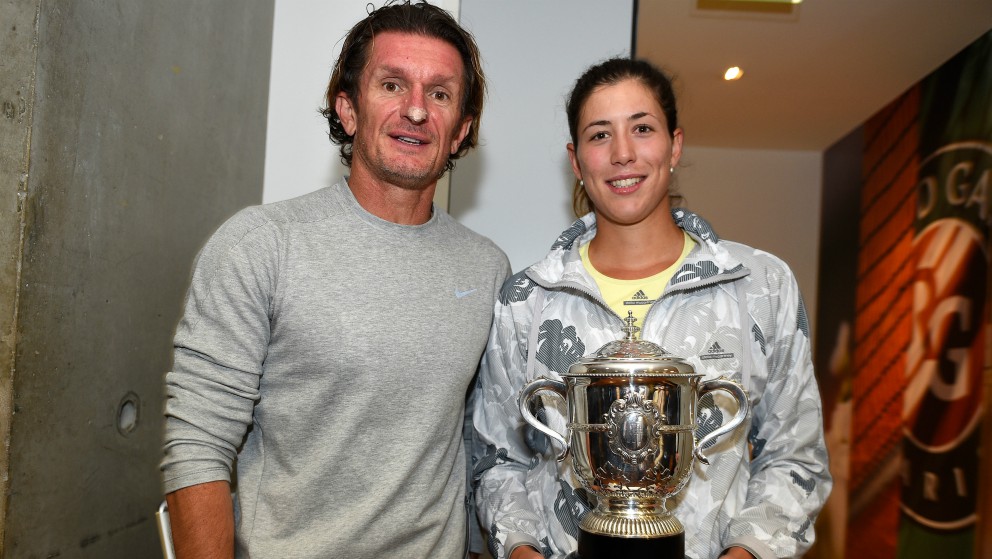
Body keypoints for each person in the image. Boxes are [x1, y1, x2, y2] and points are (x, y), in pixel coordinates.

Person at [161, 2, 509, 557]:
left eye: (440, 94)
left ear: (461, 128)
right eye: (392, 85)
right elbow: (198, 443)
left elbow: (476, 444)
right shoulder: (262, 244)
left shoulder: (488, 269)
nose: (416, 111)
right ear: (347, 110)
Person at [472, 58, 831, 559]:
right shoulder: (527, 300)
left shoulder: (760, 285)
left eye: (642, 128)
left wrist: (744, 555)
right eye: (600, 135)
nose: (623, 154)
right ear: (576, 161)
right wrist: (524, 552)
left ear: (674, 145)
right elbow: (497, 462)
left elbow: (796, 459)